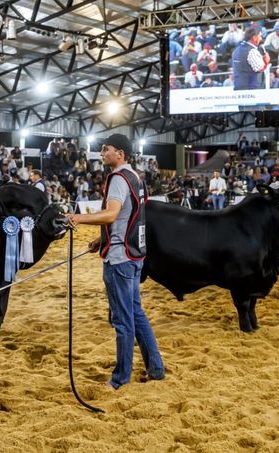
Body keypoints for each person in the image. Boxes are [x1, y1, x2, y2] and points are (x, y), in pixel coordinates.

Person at [66, 134, 164, 390]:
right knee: (135, 313)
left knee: (122, 320)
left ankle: (120, 379)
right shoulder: (136, 177)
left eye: (106, 149)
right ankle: (156, 368)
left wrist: (79, 218)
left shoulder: (118, 179)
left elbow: (111, 215)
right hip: (133, 253)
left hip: (120, 257)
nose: (102, 152)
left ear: (119, 153)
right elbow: (129, 216)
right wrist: (102, 240)